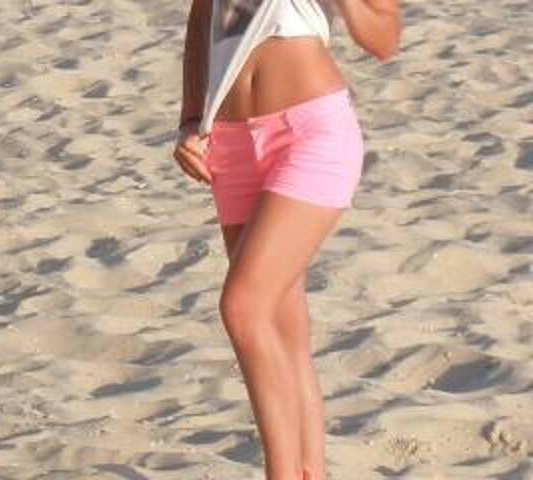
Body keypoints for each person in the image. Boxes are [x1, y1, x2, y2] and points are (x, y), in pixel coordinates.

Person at [172, 1, 402, 479]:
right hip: (230, 142)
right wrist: (191, 118)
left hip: (310, 133)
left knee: (244, 307)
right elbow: (202, 16)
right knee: (282, 326)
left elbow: (384, 38)